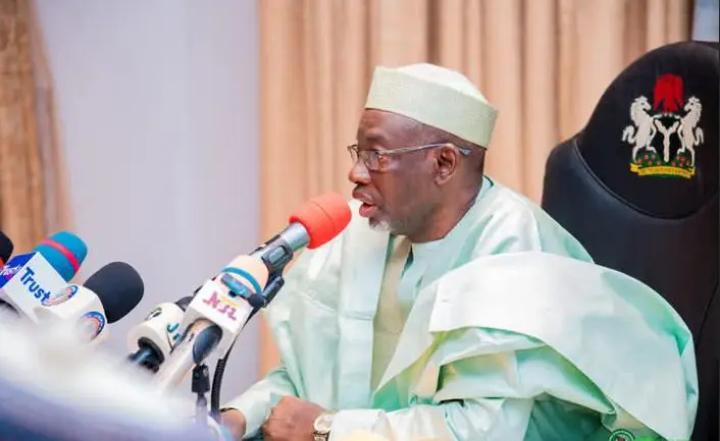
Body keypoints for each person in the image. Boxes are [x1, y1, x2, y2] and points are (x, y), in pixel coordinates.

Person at [221, 64, 697, 441]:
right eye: (358, 153)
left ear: (444, 163)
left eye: (376, 156)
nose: (356, 174)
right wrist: (238, 418)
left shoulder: (513, 252)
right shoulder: (366, 230)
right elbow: (308, 375)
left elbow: (478, 431)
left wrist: (328, 430)